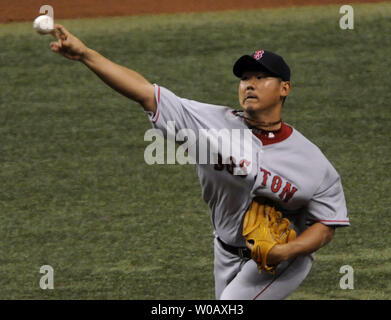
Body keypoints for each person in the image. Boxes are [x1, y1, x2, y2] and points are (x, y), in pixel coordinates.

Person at [49, 24, 349, 300]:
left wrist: (286, 251)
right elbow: (145, 93)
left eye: (261, 77)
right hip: (224, 250)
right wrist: (86, 54)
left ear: (285, 88)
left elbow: (327, 223)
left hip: (281, 261)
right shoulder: (209, 123)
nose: (249, 84)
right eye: (245, 78)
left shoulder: (312, 162)